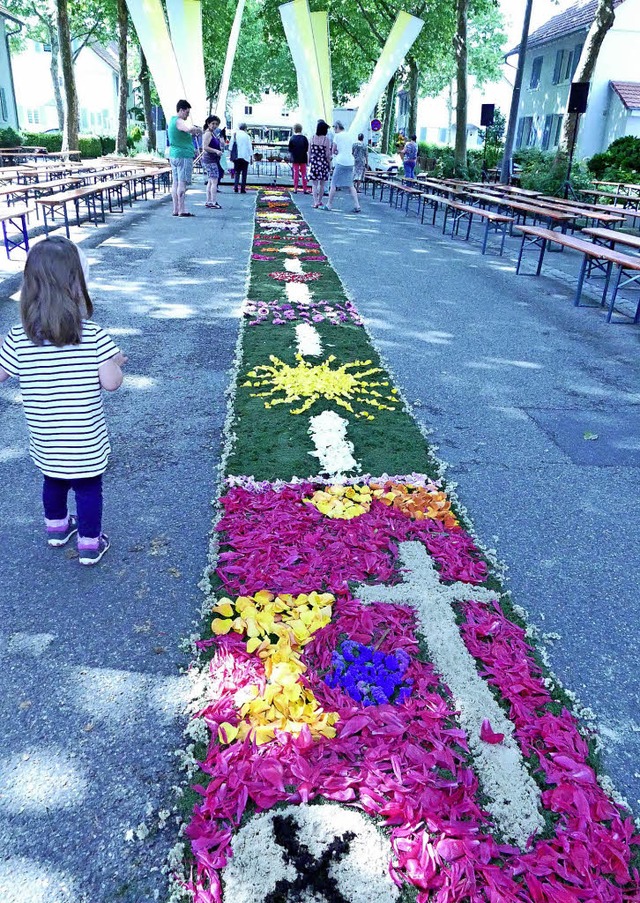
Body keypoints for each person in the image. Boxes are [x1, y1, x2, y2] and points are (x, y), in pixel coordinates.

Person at [0, 237, 127, 566]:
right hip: (84, 440)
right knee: (87, 489)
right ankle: (89, 543)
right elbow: (111, 383)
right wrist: (115, 361)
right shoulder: (93, 335)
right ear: (77, 285)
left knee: (53, 481)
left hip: (46, 438)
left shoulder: (18, 337)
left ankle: (56, 528)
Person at [168, 99, 202, 217]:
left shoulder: (171, 121)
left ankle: (175, 209)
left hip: (174, 154)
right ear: (181, 110)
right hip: (183, 155)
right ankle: (182, 209)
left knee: (175, 183)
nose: (187, 115)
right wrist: (197, 130)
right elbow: (187, 129)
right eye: (187, 112)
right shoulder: (179, 121)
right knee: (182, 183)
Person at [325, 120, 361, 213]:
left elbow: (333, 150)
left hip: (341, 161)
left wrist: (334, 155)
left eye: (334, 128)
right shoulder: (350, 135)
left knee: (333, 183)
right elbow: (350, 149)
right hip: (350, 161)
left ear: (337, 127)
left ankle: (329, 204)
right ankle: (357, 205)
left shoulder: (337, 136)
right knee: (350, 184)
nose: (334, 130)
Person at [308, 120, 332, 209]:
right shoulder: (326, 140)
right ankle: (319, 200)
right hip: (323, 163)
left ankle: (315, 202)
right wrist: (329, 164)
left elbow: (309, 152)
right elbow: (327, 154)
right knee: (322, 184)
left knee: (314, 184)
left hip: (314, 163)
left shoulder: (312, 138)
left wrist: (309, 162)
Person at [202, 115, 222, 209]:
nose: (214, 125)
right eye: (213, 123)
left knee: (210, 181)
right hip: (210, 159)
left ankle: (209, 201)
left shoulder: (212, 133)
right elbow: (205, 147)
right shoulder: (208, 134)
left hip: (211, 159)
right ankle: (213, 201)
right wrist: (216, 151)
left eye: (216, 124)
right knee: (214, 181)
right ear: (208, 123)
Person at [231, 123, 253, 194]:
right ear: (245, 128)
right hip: (245, 156)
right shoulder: (247, 136)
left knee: (237, 172)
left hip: (236, 156)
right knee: (244, 173)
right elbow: (249, 147)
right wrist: (251, 156)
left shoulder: (235, 135)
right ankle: (243, 189)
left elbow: (230, 146)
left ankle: (236, 187)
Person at [288, 123, 309, 194]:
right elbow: (306, 148)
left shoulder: (292, 138)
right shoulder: (304, 138)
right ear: (301, 129)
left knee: (296, 173)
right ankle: (305, 189)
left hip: (295, 158)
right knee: (304, 174)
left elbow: (290, 149)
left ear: (294, 129)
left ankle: (295, 189)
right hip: (303, 157)